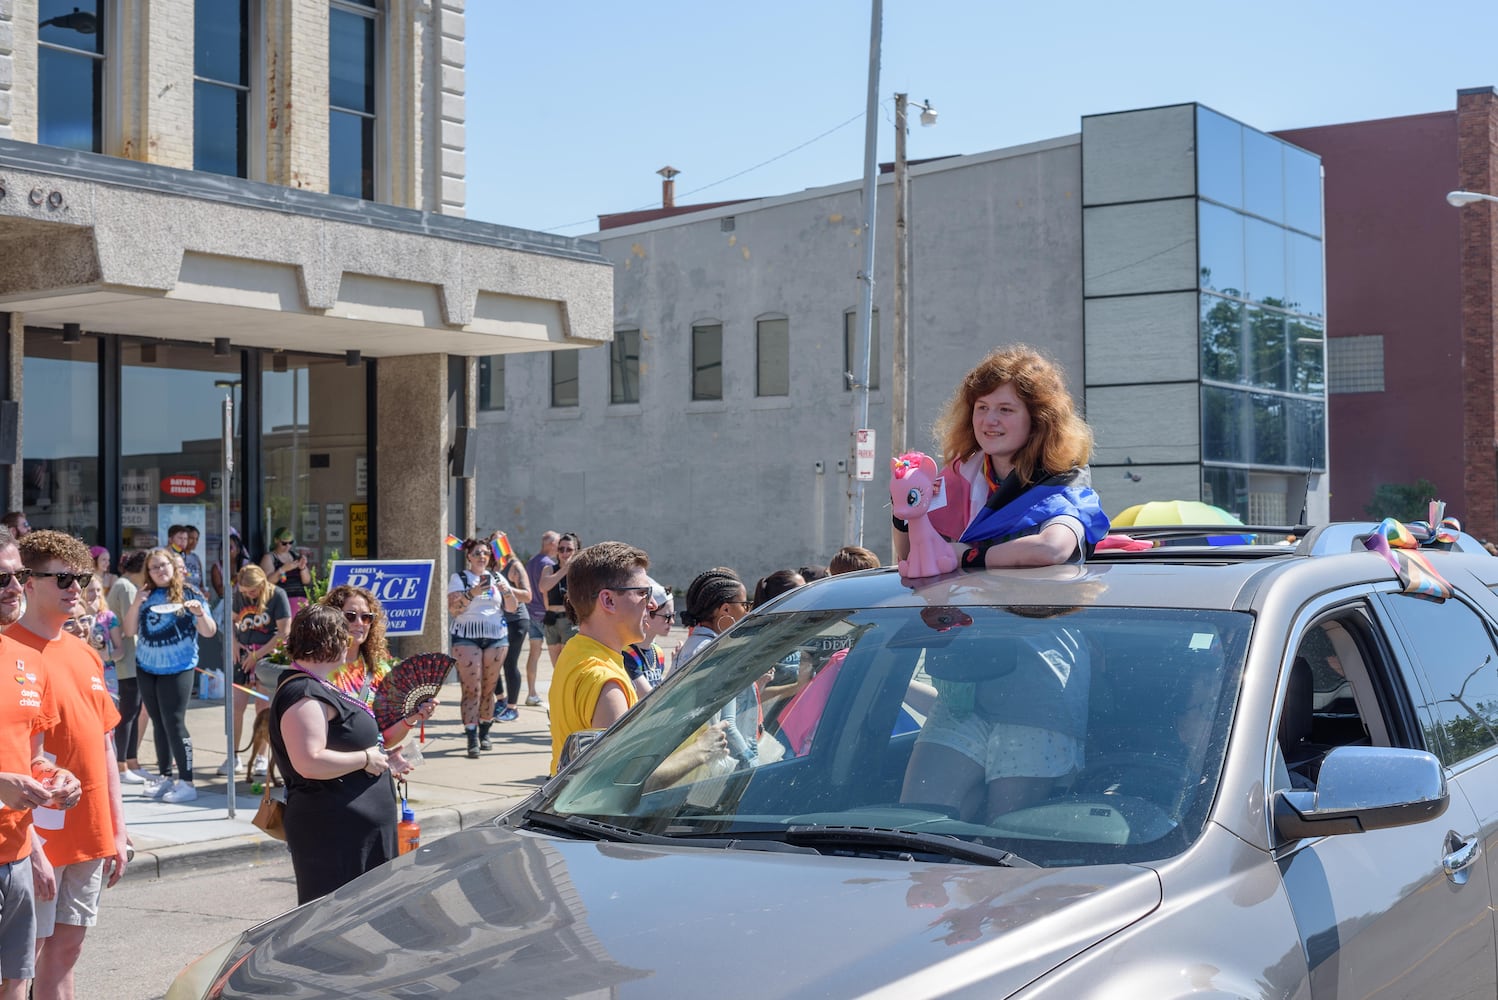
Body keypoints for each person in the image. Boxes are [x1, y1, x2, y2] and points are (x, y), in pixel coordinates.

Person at [11, 531, 127, 1000]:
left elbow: (104, 748)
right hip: (35, 835)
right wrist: (32, 846)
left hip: (89, 832)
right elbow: (13, 758)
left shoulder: (84, 653)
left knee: (67, 952)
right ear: (28, 583)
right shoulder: (10, 651)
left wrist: (117, 831)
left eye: (79, 577)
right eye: (61, 577)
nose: (74, 587)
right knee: (23, 961)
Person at [893, 345, 1109, 569]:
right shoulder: (961, 473)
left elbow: (1052, 549)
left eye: (1005, 409)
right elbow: (915, 555)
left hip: (1043, 602)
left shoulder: (1063, 480)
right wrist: (905, 507)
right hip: (978, 604)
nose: (989, 420)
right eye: (982, 407)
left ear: (1038, 421)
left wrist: (969, 557)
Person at [268, 605, 394, 905]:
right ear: (329, 642)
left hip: (351, 827)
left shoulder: (316, 685)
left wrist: (381, 758)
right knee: (334, 918)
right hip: (334, 831)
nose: (349, 642)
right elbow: (309, 761)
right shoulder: (302, 692)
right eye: (343, 635)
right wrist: (366, 759)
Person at [0, 525, 79, 999]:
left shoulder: (26, 658)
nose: (14, 588)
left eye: (17, 576)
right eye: (0, 579)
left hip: (15, 854)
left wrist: (56, 776)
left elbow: (31, 757)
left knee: (15, 983)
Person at [547, 542, 653, 775]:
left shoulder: (575, 650)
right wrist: (695, 756)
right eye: (643, 593)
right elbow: (618, 780)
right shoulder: (607, 684)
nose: (652, 604)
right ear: (608, 601)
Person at [121, 549, 216, 803]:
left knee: (175, 722)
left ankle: (187, 781)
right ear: (148, 572)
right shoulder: (146, 595)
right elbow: (129, 630)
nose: (160, 571)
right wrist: (136, 602)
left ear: (173, 566)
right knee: (158, 722)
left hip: (179, 667)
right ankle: (165, 776)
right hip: (147, 667)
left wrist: (199, 614)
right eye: (154, 567)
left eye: (164, 565)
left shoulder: (190, 593)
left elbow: (209, 631)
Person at [321, 585, 434, 771]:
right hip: (331, 773)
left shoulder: (379, 669)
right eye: (350, 616)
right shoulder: (320, 667)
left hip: (369, 774)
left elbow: (384, 739)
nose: (359, 623)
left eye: (366, 617)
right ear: (333, 618)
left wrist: (411, 717)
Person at [676, 569, 760, 767]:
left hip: (690, 756)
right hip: (708, 764)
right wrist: (753, 762)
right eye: (745, 605)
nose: (748, 612)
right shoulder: (714, 653)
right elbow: (726, 725)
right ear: (725, 610)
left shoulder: (691, 646)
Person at [447, 539, 519, 759]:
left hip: (496, 636)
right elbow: (454, 609)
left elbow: (513, 608)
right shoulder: (459, 579)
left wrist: (507, 592)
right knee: (472, 689)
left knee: (489, 688)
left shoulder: (497, 577)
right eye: (477, 553)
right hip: (467, 636)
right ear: (468, 556)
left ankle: (485, 732)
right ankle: (471, 737)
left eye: (486, 553)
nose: (482, 557)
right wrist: (473, 592)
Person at [227, 566, 292, 778]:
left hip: (266, 656)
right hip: (243, 654)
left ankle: (262, 757)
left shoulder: (277, 595)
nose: (248, 595)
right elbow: (231, 621)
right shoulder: (239, 594)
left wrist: (258, 656)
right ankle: (233, 755)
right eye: (245, 591)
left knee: (263, 708)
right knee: (236, 706)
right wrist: (234, 642)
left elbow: (284, 632)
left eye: (252, 591)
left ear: (262, 584)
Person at [105, 553, 149, 785]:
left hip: (132, 661)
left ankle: (131, 761)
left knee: (133, 710)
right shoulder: (126, 587)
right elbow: (133, 625)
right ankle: (122, 764)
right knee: (127, 713)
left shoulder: (126, 585)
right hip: (127, 662)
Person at [488, 532, 532, 724]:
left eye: (500, 542)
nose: (495, 547)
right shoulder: (490, 567)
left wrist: (506, 588)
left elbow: (528, 595)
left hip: (516, 620)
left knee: (509, 663)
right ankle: (501, 700)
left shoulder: (514, 566)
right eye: (493, 543)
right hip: (496, 621)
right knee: (492, 662)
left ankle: (512, 708)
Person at [521, 531, 559, 706]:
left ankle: (531, 693)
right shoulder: (548, 565)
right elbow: (547, 591)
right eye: (558, 543)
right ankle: (560, 695)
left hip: (531, 614)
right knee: (557, 657)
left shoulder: (531, 562)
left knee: (534, 655)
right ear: (551, 544)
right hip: (545, 615)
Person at [623, 579, 673, 698]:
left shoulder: (658, 652)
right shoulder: (627, 653)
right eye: (667, 616)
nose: (672, 621)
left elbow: (660, 688)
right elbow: (651, 699)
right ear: (648, 614)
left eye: (673, 615)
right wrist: (676, 668)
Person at [538, 533, 580, 667]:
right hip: (552, 621)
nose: (565, 553)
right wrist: (564, 570)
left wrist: (569, 569)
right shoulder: (549, 569)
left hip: (569, 620)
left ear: (576, 551)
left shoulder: (578, 571)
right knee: (556, 666)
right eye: (561, 549)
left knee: (566, 663)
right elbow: (543, 587)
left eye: (569, 549)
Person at [261, 528, 311, 614]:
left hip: (300, 601)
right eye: (284, 543)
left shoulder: (295, 556)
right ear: (276, 541)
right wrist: (283, 569)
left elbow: (307, 581)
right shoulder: (270, 557)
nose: (288, 546)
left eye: (290, 543)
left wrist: (302, 568)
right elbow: (267, 582)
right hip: (281, 602)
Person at [208, 528, 249, 607]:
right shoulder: (217, 567)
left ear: (238, 550)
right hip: (225, 605)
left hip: (245, 603)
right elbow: (221, 592)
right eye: (223, 547)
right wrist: (235, 579)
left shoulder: (247, 565)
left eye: (230, 547)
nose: (225, 550)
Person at [168, 526, 204, 594]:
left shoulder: (195, 558)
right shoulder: (171, 555)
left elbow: (201, 582)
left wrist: (203, 591)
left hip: (196, 594)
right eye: (191, 538)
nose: (194, 542)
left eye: (196, 539)